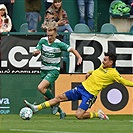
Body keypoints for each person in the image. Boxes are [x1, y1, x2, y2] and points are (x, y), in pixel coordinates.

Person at [24, 52, 133, 120]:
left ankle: (97, 114)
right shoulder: (102, 66)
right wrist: (89, 72)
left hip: (90, 94)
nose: (103, 61)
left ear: (111, 62)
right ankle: (36, 108)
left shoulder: (114, 73)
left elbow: (124, 82)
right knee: (59, 98)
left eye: (105, 60)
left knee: (79, 115)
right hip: (81, 88)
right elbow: (97, 71)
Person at [25, 22, 82, 119]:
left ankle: (55, 103)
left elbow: (72, 49)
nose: (49, 37)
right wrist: (35, 53)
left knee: (41, 87)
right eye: (48, 35)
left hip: (53, 70)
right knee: (47, 97)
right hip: (44, 70)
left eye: (51, 35)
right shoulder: (43, 41)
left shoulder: (59, 44)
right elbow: (35, 52)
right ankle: (61, 112)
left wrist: (79, 57)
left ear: (55, 33)